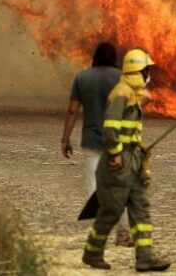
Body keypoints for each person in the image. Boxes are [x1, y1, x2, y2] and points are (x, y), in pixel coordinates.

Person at [82, 48, 171, 272]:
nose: (149, 74)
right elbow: (110, 130)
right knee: (110, 211)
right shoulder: (121, 94)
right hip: (118, 164)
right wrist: (116, 153)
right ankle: (92, 253)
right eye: (147, 70)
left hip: (132, 161)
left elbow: (145, 100)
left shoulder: (132, 93)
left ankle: (145, 258)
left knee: (140, 208)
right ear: (138, 71)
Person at [60, 43, 133, 246]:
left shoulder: (82, 78)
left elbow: (72, 111)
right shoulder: (122, 78)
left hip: (91, 143)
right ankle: (123, 233)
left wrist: (65, 139)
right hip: (117, 143)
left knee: (95, 191)